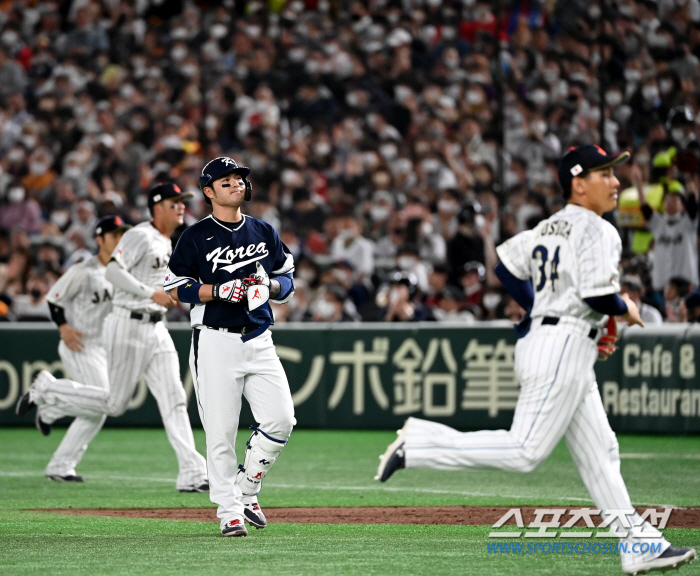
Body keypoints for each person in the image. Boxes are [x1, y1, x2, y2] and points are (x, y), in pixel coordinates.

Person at [375, 145, 696, 575]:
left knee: (602, 451)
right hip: (563, 344)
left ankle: (638, 543)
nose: (617, 181)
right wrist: (625, 307)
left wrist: (537, 306)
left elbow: (506, 266)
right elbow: (596, 295)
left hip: (554, 340)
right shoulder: (598, 230)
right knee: (525, 451)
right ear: (579, 184)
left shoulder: (548, 227)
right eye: (605, 174)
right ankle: (419, 444)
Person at [16, 183, 209, 493]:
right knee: (114, 404)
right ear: (157, 207)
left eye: (182, 202)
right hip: (128, 324)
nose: (181, 207)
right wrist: (152, 293)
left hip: (156, 328)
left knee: (174, 399)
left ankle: (192, 473)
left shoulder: (164, 240)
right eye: (175, 202)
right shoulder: (140, 235)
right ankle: (49, 389)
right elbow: (113, 273)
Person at [164, 157, 296, 537]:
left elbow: (287, 279)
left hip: (259, 337)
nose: (236, 183)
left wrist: (269, 287)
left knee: (282, 419)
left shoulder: (263, 230)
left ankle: (248, 486)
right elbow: (176, 287)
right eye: (226, 181)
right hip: (215, 339)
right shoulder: (195, 235)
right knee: (221, 432)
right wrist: (215, 290)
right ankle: (229, 510)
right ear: (208, 192)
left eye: (238, 178)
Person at [39, 216, 130, 481]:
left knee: (97, 410)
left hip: (103, 348)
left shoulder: (123, 271)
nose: (119, 240)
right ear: (99, 239)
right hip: (79, 343)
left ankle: (51, 408)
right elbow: (54, 299)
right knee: (103, 403)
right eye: (114, 235)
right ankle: (48, 391)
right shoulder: (84, 270)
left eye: (121, 235)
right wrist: (63, 327)